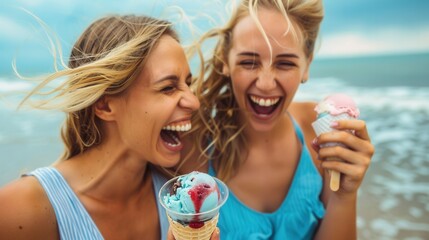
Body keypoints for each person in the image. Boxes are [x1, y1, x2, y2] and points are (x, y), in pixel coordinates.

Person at [175, 0, 375, 239]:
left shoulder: (321, 135)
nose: (266, 84)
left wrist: (345, 194)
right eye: (249, 62)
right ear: (226, 61)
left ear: (307, 64)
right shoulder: (193, 147)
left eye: (285, 63)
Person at [0, 14, 209, 240]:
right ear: (105, 105)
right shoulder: (22, 210)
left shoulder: (181, 194)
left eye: (188, 84)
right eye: (168, 87)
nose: (194, 101)